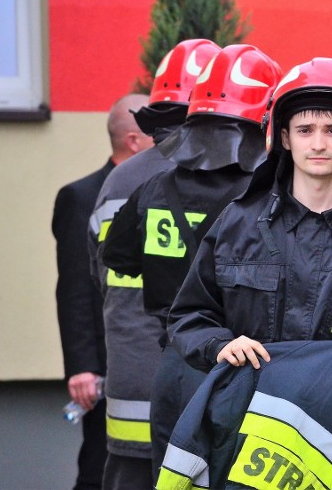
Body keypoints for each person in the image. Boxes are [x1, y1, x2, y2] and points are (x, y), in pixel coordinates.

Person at [166, 57, 332, 379]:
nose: (318, 144)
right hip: (248, 413)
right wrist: (220, 345)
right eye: (305, 130)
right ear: (284, 138)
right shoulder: (237, 224)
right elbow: (190, 316)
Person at [101, 43, 282, 484]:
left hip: (175, 367)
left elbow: (117, 257)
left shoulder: (154, 187)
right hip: (241, 370)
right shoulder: (261, 197)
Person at [87, 39, 221, 488]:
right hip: (203, 380)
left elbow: (101, 272)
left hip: (131, 384)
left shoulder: (122, 178)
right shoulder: (238, 181)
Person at [52, 93, 152, 490]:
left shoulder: (163, 191)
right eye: (156, 134)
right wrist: (81, 366)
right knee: (100, 466)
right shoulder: (82, 197)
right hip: (104, 365)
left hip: (142, 357)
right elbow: (76, 286)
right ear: (132, 141)